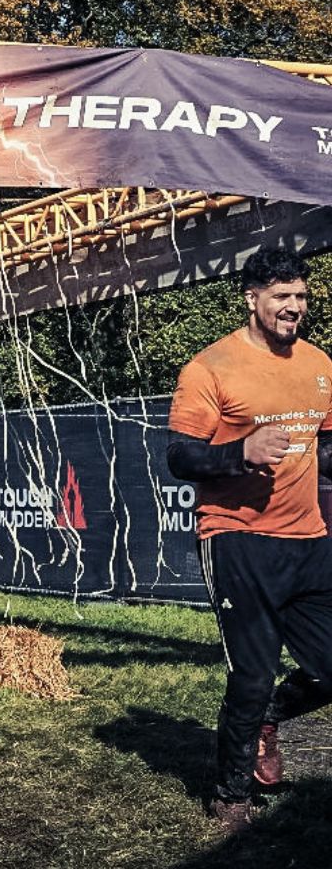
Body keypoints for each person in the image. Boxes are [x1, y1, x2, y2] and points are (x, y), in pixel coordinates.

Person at [167, 245, 332, 831]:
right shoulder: (210, 368)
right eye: (282, 297)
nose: (294, 308)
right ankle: (231, 794)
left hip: (309, 537)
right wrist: (240, 452)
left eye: (302, 297)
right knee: (253, 671)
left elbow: (326, 444)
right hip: (238, 537)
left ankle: (270, 717)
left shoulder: (319, 363)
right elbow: (180, 456)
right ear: (253, 300)